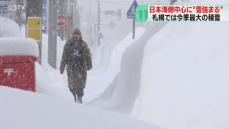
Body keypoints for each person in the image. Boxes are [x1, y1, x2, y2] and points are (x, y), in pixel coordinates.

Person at [60, 28, 92, 103]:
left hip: (73, 68)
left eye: (77, 34)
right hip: (80, 69)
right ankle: (78, 98)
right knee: (79, 86)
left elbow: (64, 57)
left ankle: (77, 97)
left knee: (73, 85)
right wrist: (89, 65)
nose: (76, 36)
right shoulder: (83, 44)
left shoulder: (69, 44)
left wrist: (62, 68)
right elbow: (88, 55)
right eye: (76, 34)